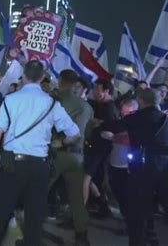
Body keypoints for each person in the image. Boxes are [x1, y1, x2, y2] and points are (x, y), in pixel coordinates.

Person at [0, 60, 80, 246]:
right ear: (42, 78)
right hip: (39, 167)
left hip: (13, 165)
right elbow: (74, 134)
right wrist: (60, 142)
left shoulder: (11, 99)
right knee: (34, 220)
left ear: (24, 76)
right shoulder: (51, 103)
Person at [102, 89, 168, 246]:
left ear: (140, 101)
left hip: (145, 165)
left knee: (137, 210)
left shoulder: (136, 118)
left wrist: (99, 124)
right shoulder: (166, 119)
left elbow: (113, 126)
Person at [49, 70, 93, 246]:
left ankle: (31, 232)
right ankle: (81, 236)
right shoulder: (87, 107)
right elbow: (88, 132)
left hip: (56, 153)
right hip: (77, 156)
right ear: (75, 83)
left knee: (38, 191)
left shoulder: (55, 100)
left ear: (60, 80)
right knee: (76, 198)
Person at [84, 78, 120, 217]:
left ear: (106, 91)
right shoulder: (100, 105)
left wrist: (98, 125)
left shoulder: (110, 109)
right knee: (94, 178)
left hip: (100, 149)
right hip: (96, 147)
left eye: (96, 89)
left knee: (87, 177)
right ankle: (102, 206)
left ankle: (87, 209)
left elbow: (110, 130)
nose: (94, 91)